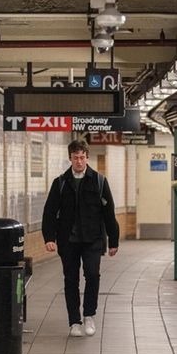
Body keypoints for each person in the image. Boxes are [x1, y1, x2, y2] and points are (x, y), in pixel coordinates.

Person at [42, 139, 119, 337]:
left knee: (92, 275)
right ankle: (74, 321)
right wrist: (49, 237)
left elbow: (109, 212)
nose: (79, 161)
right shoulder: (60, 183)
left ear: (87, 157)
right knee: (71, 279)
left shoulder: (99, 181)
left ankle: (89, 315)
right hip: (68, 240)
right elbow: (49, 212)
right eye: (75, 158)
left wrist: (114, 240)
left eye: (82, 157)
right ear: (70, 158)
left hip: (93, 238)